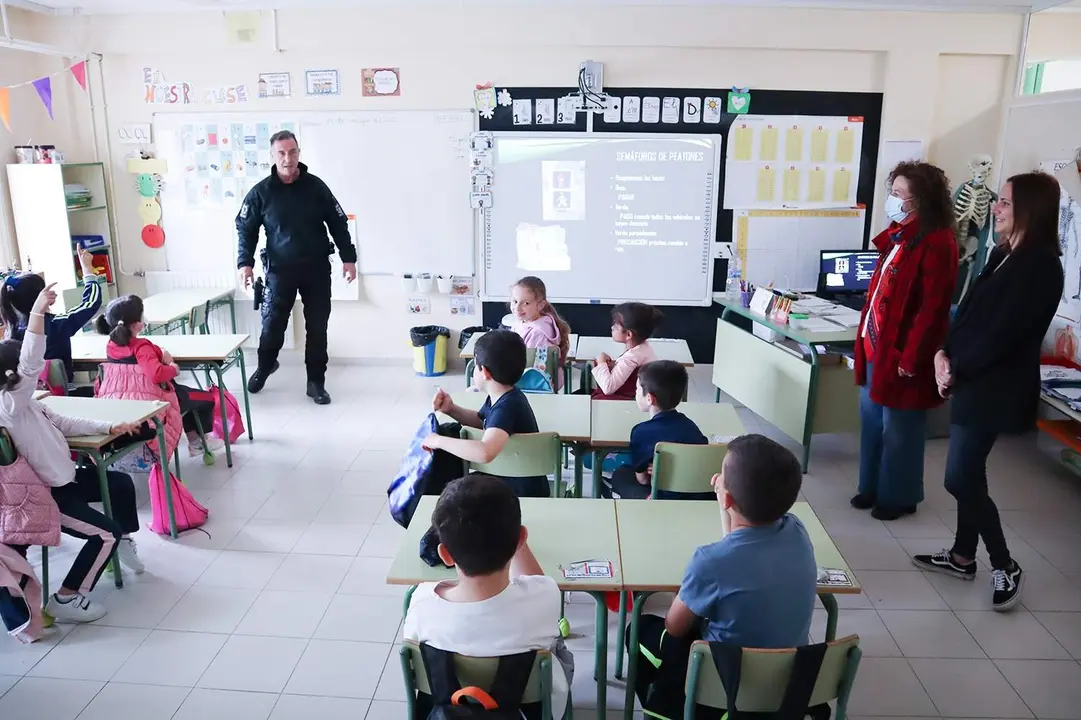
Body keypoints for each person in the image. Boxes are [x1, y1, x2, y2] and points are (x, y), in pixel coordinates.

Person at [914, 173, 1065, 612]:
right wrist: (943, 353)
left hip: (994, 387)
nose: (995, 209)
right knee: (970, 473)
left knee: (958, 477)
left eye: (1003, 202)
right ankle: (963, 556)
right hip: (970, 378)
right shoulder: (1001, 254)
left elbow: (1002, 335)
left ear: (1030, 210)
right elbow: (969, 317)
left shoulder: (1039, 266)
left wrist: (954, 369)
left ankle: (1004, 564)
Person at [628, 434, 816, 718]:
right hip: (785, 677)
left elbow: (675, 626)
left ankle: (665, 706)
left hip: (722, 679)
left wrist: (724, 502)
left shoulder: (709, 561)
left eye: (722, 475)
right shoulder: (797, 529)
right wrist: (725, 504)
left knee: (639, 630)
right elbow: (739, 542)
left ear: (727, 496)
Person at [0, 282, 145, 622]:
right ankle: (67, 598)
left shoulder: (29, 405)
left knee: (120, 484)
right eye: (24, 376)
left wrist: (108, 428)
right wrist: (37, 313)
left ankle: (119, 546)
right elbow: (32, 361)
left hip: (66, 480)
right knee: (105, 532)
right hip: (45, 497)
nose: (34, 377)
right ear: (11, 378)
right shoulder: (8, 406)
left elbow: (62, 421)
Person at [403, 474, 571, 719]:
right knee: (560, 650)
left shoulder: (421, 602)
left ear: (445, 555)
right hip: (526, 710)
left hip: (447, 709)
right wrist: (516, 542)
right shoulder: (545, 596)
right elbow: (538, 582)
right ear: (521, 539)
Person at [852, 161, 958, 521]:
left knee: (900, 428)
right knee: (871, 421)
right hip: (874, 347)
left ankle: (899, 496)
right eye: (892, 192)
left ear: (921, 201)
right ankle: (870, 487)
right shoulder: (899, 234)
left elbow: (932, 309)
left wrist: (911, 357)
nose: (892, 200)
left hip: (903, 354)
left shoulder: (937, 242)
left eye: (899, 195)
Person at [235, 129, 358, 406]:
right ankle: (266, 366)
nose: (287, 158)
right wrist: (245, 263)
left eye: (292, 152)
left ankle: (316, 382)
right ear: (273, 156)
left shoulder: (316, 187)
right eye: (281, 153)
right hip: (280, 270)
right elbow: (246, 229)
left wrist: (348, 258)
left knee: (317, 327)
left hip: (316, 269)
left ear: (299, 153)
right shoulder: (261, 193)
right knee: (272, 325)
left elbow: (338, 223)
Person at [95, 295, 223, 458]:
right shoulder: (142, 347)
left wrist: (158, 353)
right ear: (138, 324)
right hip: (154, 402)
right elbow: (156, 374)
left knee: (187, 396)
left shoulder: (111, 346)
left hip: (122, 403)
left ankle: (194, 440)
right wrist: (173, 369)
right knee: (205, 398)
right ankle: (197, 441)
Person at [426, 330, 549, 498]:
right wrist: (451, 409)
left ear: (484, 372)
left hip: (517, 489)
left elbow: (485, 452)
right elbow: (481, 421)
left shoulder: (507, 406)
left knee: (453, 494)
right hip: (509, 480)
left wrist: (438, 441)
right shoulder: (502, 396)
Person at [1, 248, 104, 394]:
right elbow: (91, 303)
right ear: (40, 297)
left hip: (30, 396)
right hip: (62, 394)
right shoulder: (56, 324)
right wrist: (87, 270)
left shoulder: (10, 332)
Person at [602, 360, 708, 500]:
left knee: (621, 474)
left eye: (637, 390)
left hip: (661, 498)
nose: (635, 393)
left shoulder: (640, 432)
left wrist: (659, 471)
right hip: (696, 495)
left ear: (650, 399)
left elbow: (643, 480)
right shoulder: (692, 428)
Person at [508, 276, 572, 389]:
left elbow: (531, 370)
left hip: (530, 387)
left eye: (526, 303)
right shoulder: (521, 323)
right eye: (515, 301)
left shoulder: (538, 334)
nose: (517, 308)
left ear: (540, 305)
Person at [590, 302, 662, 400]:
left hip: (631, 400)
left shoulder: (632, 357)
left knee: (596, 399)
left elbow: (608, 387)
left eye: (615, 327)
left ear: (628, 334)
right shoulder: (642, 347)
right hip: (637, 395)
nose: (612, 327)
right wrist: (614, 366)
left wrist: (601, 362)